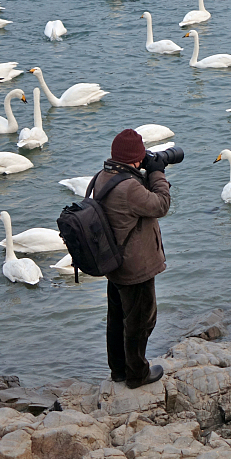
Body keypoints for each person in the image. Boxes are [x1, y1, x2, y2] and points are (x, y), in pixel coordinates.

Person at [90, 129, 171, 389]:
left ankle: (118, 370)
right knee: (140, 321)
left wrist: (145, 172)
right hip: (136, 267)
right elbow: (161, 204)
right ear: (135, 159)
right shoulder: (129, 188)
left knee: (117, 319)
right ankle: (137, 374)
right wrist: (157, 172)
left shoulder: (104, 176)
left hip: (115, 263)